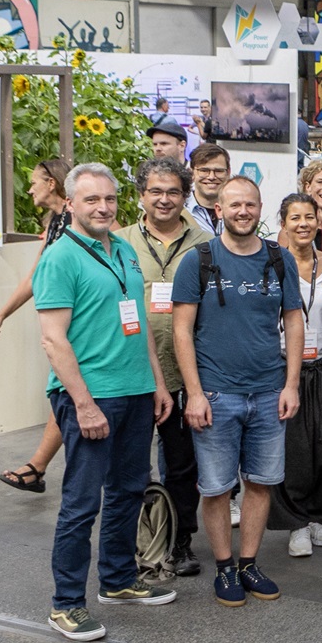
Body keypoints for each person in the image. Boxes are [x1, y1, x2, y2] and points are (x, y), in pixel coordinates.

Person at [38, 164, 177, 641]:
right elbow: (54, 340)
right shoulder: (61, 257)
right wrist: (83, 404)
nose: (102, 207)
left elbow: (137, 322)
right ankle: (66, 604)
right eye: (91, 199)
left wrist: (156, 383)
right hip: (92, 396)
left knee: (128, 491)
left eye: (109, 199)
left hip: (135, 391)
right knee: (82, 503)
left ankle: (117, 580)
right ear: (70, 204)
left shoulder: (123, 250)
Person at [173, 175, 303, 607]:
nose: (242, 212)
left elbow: (294, 322)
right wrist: (194, 393)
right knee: (215, 488)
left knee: (260, 483)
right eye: (234, 205)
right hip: (215, 394)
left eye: (250, 204)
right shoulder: (198, 261)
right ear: (219, 210)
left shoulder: (280, 259)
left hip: (268, 391)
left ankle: (248, 563)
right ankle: (225, 567)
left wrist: (291, 384)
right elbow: (181, 330)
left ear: (260, 208)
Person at [115, 157, 211, 576]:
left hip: (186, 369)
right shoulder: (119, 242)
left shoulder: (204, 242)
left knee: (182, 464)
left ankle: (180, 542)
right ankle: (135, 545)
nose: (164, 199)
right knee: (131, 464)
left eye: (173, 191)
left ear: (185, 195)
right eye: (155, 191)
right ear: (141, 195)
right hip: (133, 369)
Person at [269, 194, 322, 560]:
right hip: (286, 366)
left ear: (319, 222)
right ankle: (295, 523)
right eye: (295, 218)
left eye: (309, 217)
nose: (303, 224)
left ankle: (317, 516)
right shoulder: (272, 265)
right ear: (283, 223)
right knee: (293, 449)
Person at [0, 157, 74, 493]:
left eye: (34, 182)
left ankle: (38, 467)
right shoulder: (56, 222)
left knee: (67, 392)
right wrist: (2, 314)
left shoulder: (79, 218)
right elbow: (35, 276)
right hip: (64, 321)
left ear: (51, 183)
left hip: (79, 321)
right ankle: (37, 467)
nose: (29, 189)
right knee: (65, 392)